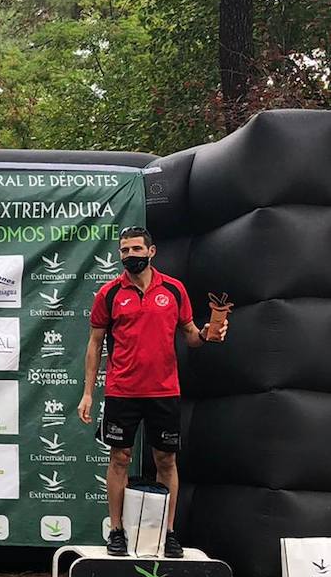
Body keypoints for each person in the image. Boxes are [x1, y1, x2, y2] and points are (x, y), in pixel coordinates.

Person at [79, 226, 228, 558]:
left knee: (166, 460)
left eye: (136, 249)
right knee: (119, 459)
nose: (129, 255)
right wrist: (88, 393)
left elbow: (191, 336)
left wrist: (208, 333)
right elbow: (94, 344)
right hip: (122, 391)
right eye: (124, 250)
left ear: (151, 251)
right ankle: (116, 531)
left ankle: (168, 532)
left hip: (163, 391)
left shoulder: (174, 289)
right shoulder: (108, 293)